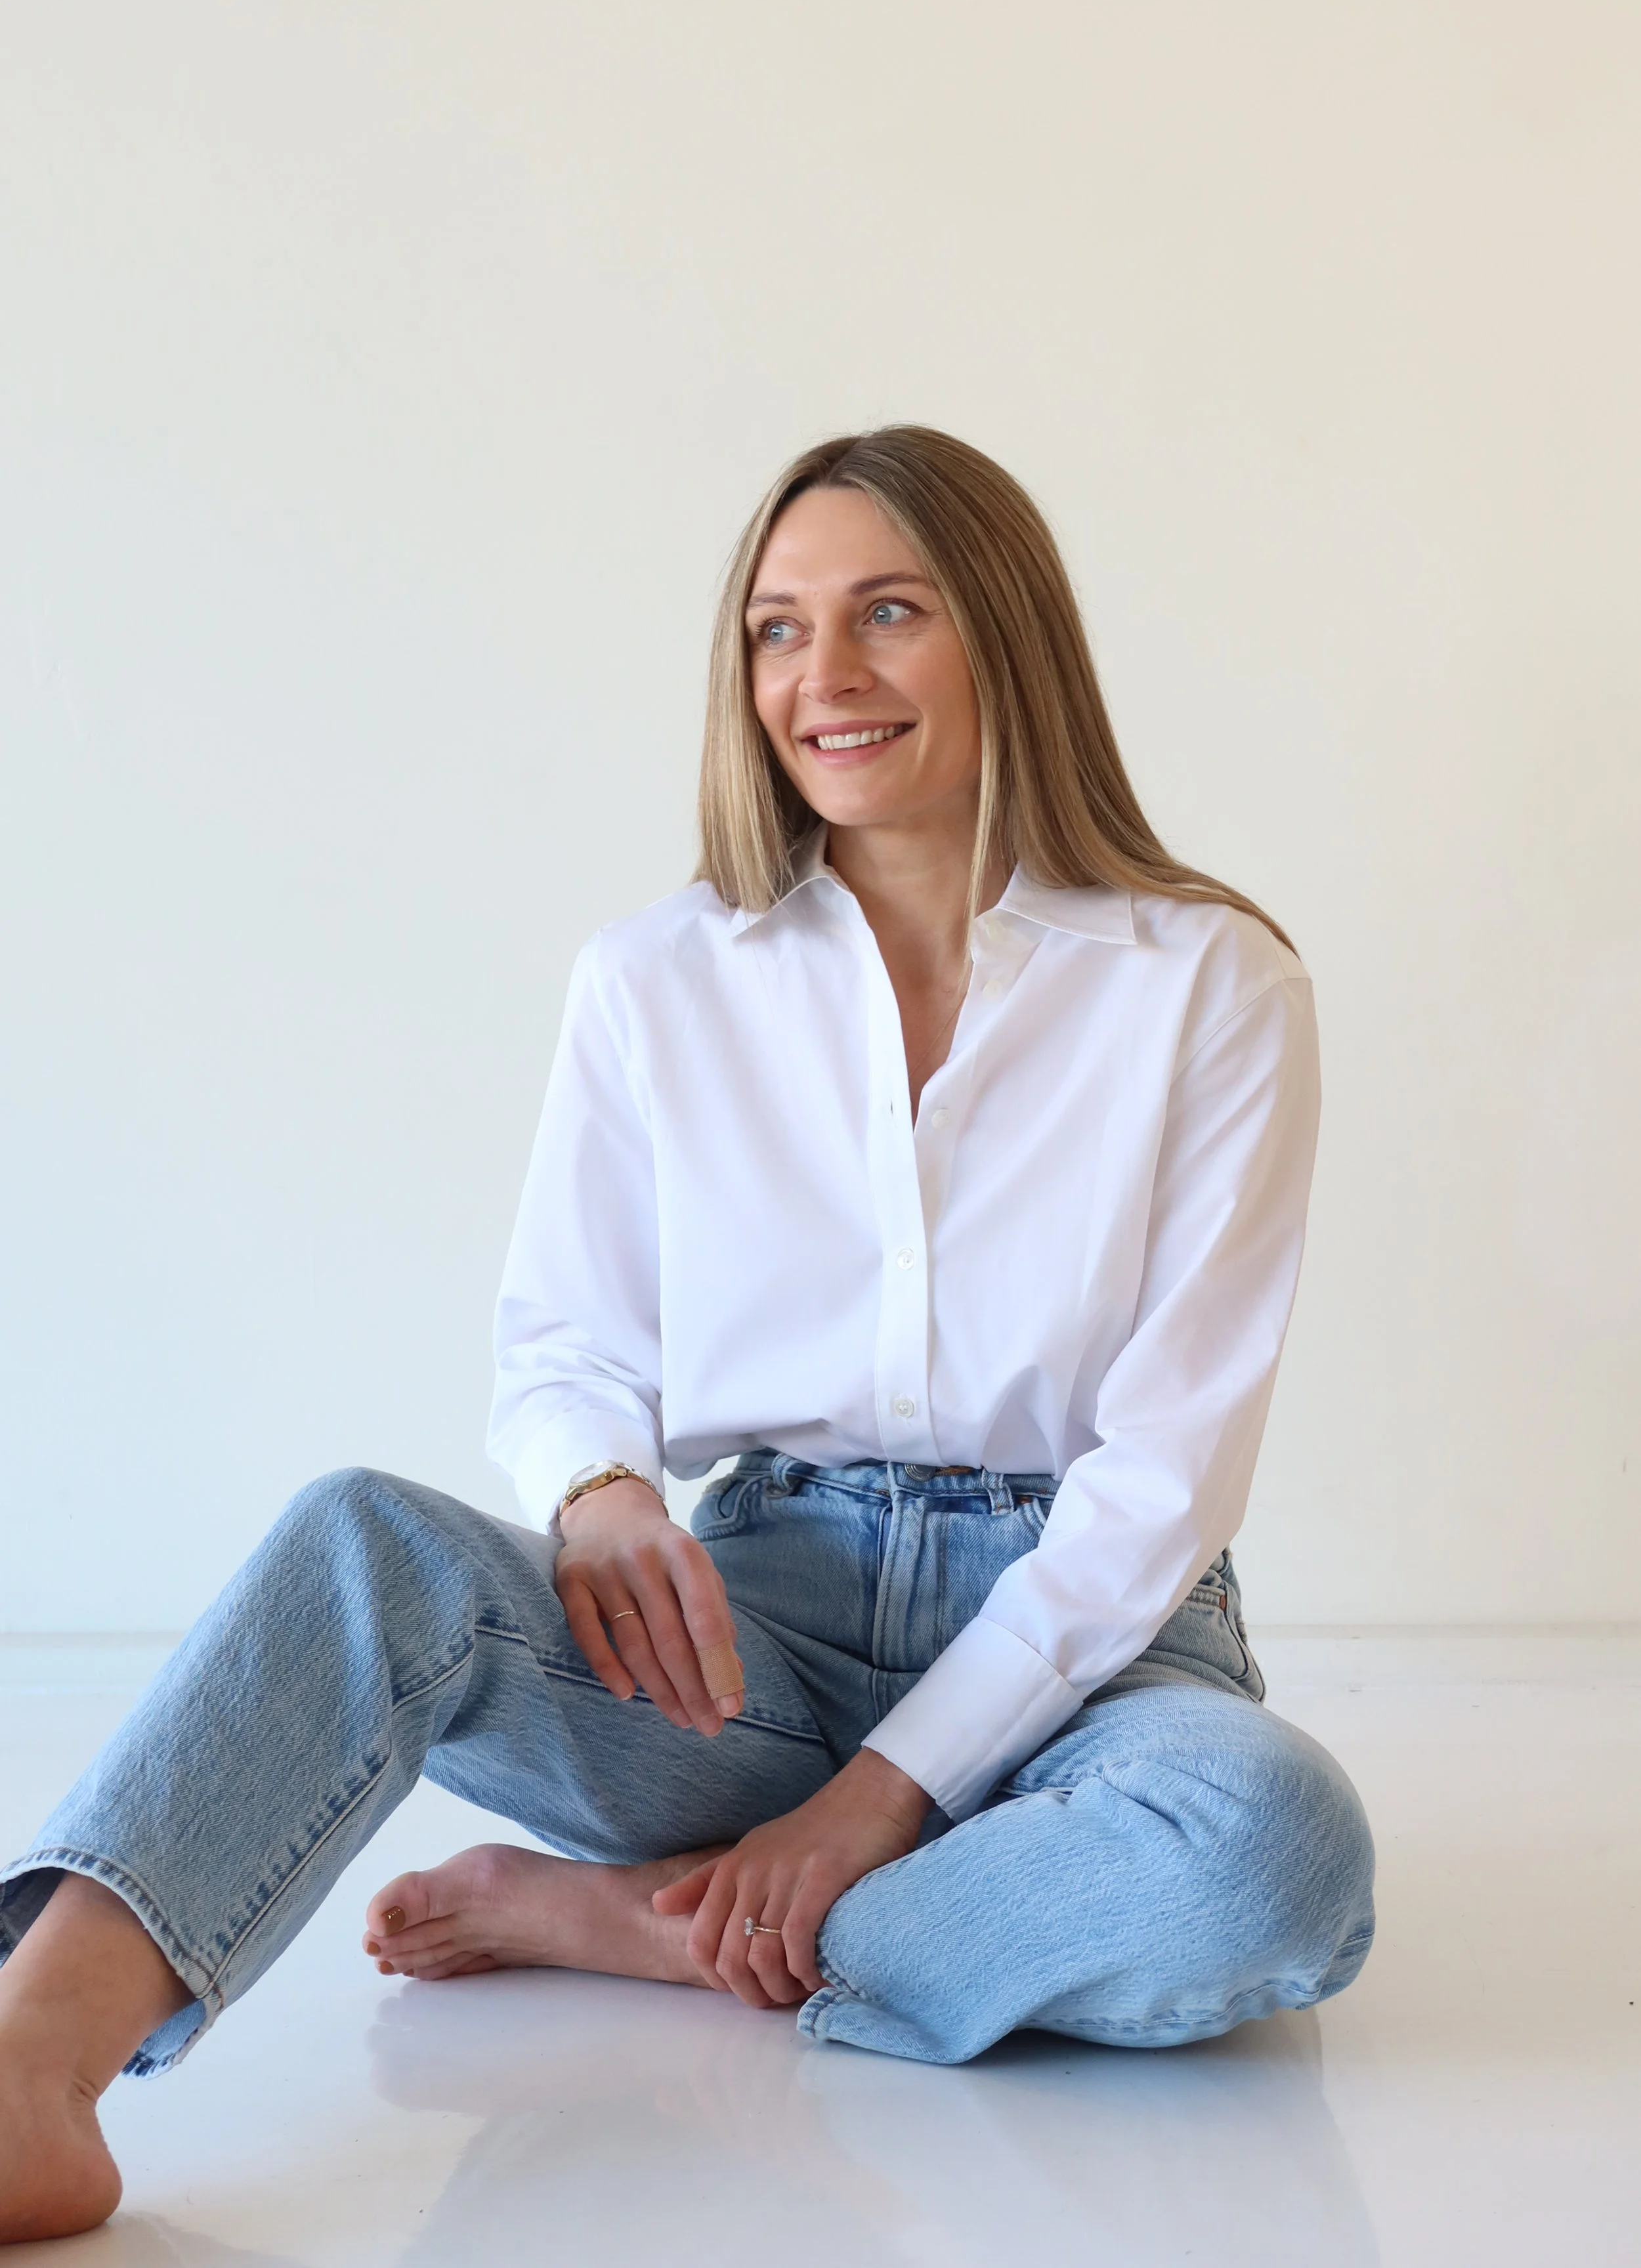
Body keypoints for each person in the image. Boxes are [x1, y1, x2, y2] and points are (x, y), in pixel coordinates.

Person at [0, 427, 1375, 2244]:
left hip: (1095, 1650)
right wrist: (600, 1491)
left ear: (1008, 635)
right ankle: (30, 2062)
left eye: (890, 612)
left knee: (1271, 1848)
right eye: (777, 628)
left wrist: (878, 1800)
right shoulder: (655, 976)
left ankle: (651, 1920)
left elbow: (1168, 1474)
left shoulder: (1209, 981)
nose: (825, 674)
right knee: (363, 1546)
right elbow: (566, 1337)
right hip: (744, 1638)